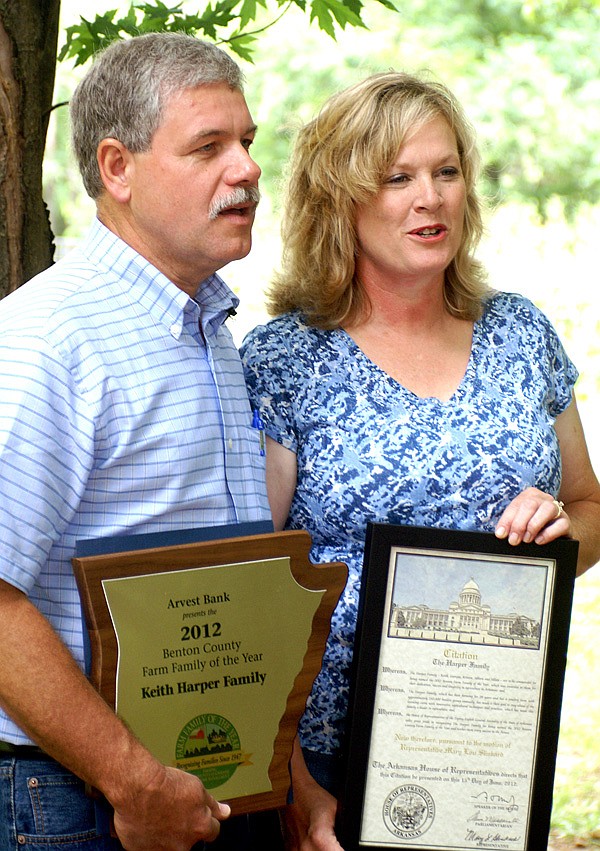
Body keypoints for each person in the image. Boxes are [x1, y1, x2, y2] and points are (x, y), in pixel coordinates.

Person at [240, 71, 600, 850]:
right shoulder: (286, 358)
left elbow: (591, 506)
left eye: (446, 171)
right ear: (342, 200)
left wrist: (558, 534)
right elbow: (251, 586)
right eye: (397, 178)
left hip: (491, 742)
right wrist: (293, 778)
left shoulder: (522, 334)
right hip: (326, 751)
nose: (429, 198)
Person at [0, 32, 282, 851]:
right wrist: (135, 779)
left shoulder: (208, 329)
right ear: (117, 167)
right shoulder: (50, 339)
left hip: (201, 783)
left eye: (248, 143)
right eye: (209, 147)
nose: (249, 169)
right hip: (78, 799)